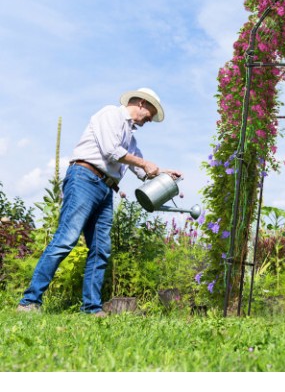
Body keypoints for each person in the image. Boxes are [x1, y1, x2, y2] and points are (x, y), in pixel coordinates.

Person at [17, 88, 182, 316]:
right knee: (66, 239)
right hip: (85, 178)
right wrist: (145, 164)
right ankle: (29, 302)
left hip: (106, 189)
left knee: (100, 249)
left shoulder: (131, 137)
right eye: (150, 114)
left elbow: (140, 169)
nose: (150, 120)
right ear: (142, 104)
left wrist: (163, 173)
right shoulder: (110, 115)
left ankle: (92, 308)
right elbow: (112, 151)